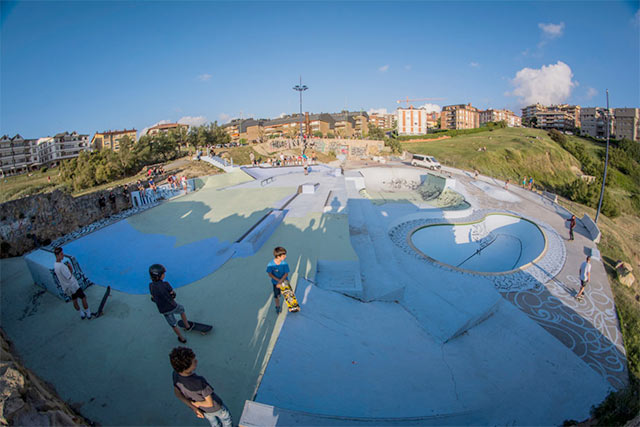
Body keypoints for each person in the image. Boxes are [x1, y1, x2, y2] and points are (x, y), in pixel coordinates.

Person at [170, 347, 233, 427]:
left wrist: (194, 407)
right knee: (226, 419)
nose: (196, 361)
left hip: (204, 411)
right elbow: (209, 403)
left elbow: (178, 394)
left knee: (214, 423)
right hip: (216, 408)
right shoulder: (199, 382)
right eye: (194, 362)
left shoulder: (175, 374)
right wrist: (197, 404)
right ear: (186, 368)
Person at [148, 264, 193, 343]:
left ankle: (182, 339)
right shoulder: (166, 284)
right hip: (173, 306)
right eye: (163, 274)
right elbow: (173, 295)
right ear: (159, 276)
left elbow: (152, 298)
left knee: (173, 324)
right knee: (182, 310)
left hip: (163, 310)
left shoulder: (151, 286)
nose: (164, 275)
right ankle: (187, 326)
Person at [53, 247, 91, 319]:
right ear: (57, 255)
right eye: (61, 254)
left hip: (66, 288)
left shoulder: (55, 265)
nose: (63, 255)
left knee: (74, 300)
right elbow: (69, 276)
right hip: (73, 285)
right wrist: (70, 268)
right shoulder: (62, 266)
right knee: (83, 297)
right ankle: (88, 313)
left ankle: (81, 314)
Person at [266, 247, 290, 314]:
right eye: (283, 255)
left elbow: (286, 273)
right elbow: (270, 274)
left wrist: (280, 281)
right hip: (275, 283)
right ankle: (277, 306)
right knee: (277, 296)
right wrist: (278, 280)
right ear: (278, 256)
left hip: (284, 281)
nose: (285, 256)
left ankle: (292, 305)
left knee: (288, 293)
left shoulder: (284, 264)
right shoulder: (270, 264)